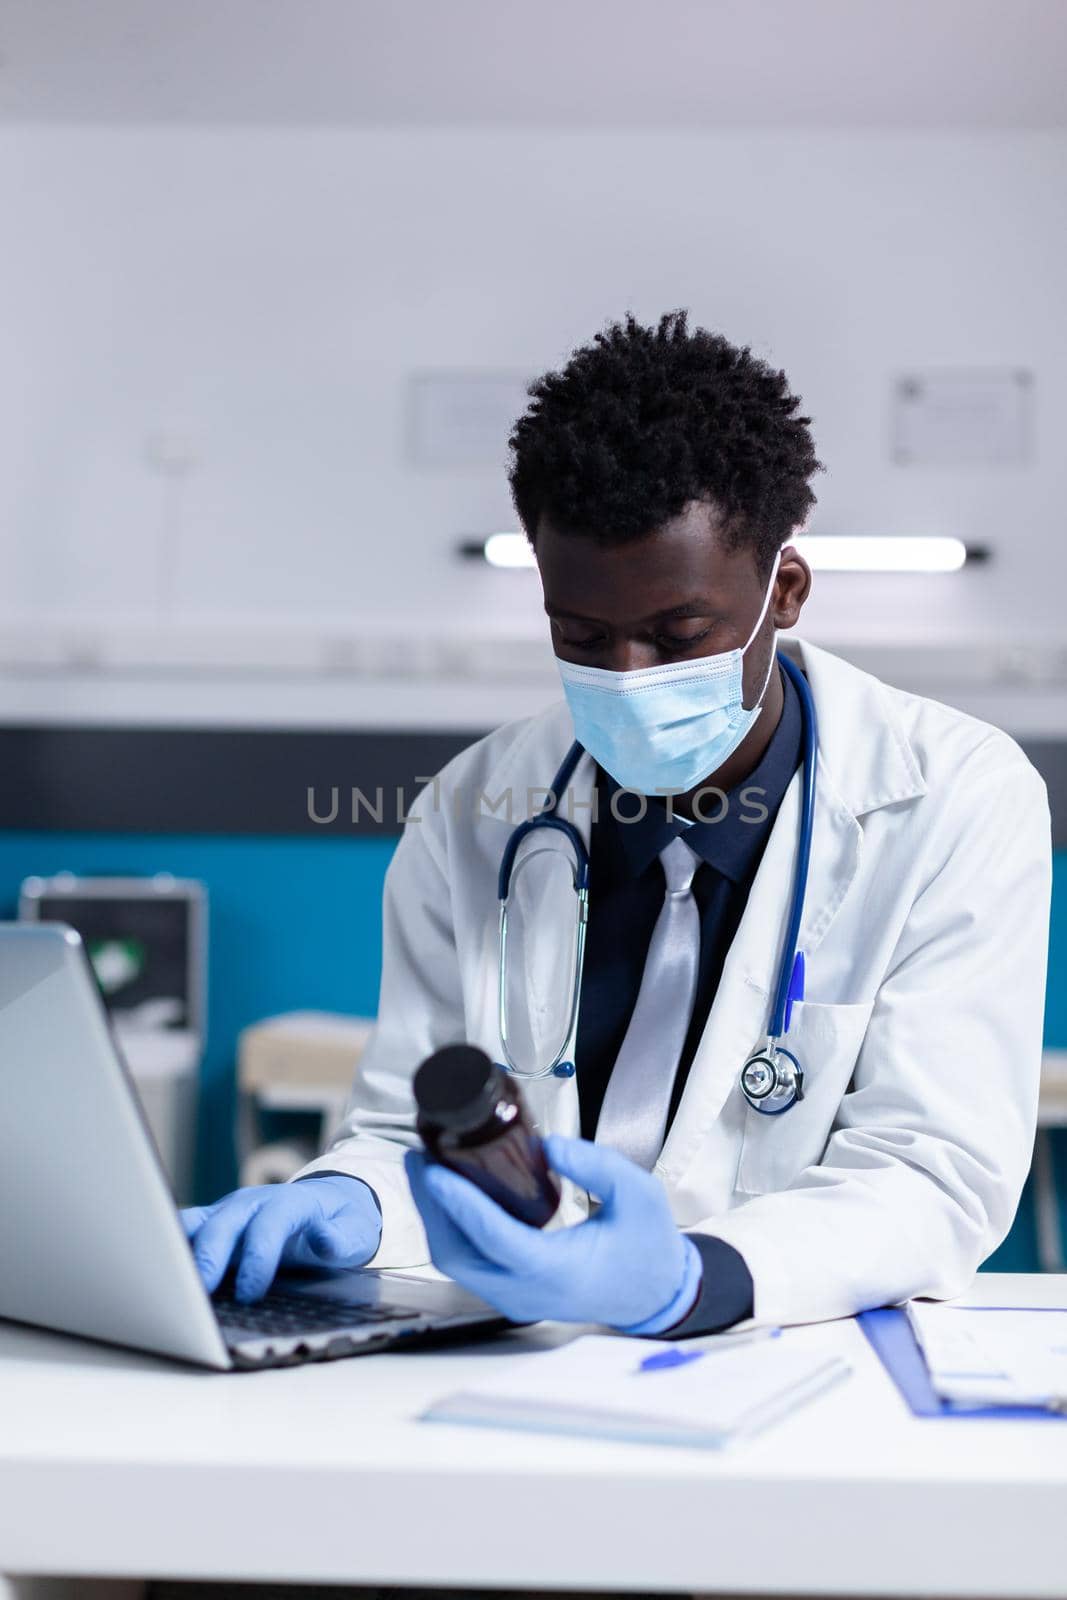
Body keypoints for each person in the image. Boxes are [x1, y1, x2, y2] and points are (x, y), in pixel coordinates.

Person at [183, 310, 1052, 1336]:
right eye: (580, 635)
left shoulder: (952, 795)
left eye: (678, 634)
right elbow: (408, 1128)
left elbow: (928, 1173)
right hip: (517, 1364)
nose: (626, 679)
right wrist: (356, 1201)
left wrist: (688, 1281)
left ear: (784, 590)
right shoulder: (471, 809)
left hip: (798, 1365)